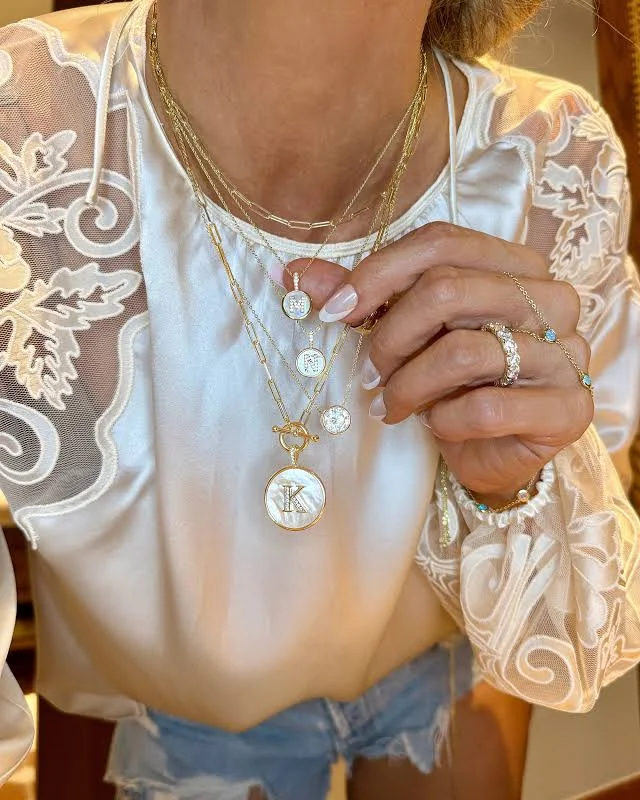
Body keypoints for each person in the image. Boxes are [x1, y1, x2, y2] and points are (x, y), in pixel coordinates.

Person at [0, 0, 639, 798]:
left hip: (445, 663)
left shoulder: (550, 157)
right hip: (173, 707)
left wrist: (508, 482)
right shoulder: (30, 120)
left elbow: (574, 598)